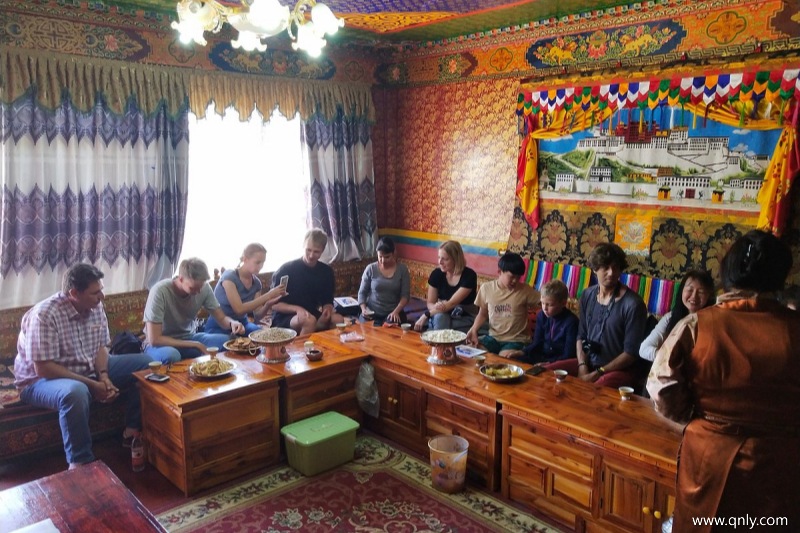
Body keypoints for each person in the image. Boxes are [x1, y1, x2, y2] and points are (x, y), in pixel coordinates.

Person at [647, 230, 800, 532]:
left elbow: (661, 387)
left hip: (709, 457)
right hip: (781, 460)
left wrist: (696, 420)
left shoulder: (696, 324)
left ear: (728, 272)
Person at [13, 264, 152, 469]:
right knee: (75, 392)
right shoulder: (44, 315)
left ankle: (132, 432)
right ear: (74, 293)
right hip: (40, 380)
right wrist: (92, 385)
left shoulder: (95, 307)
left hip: (85, 368)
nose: (102, 296)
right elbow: (44, 368)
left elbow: (101, 347)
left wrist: (103, 376)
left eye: (101, 290)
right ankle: (80, 463)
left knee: (146, 364)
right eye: (96, 292)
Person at [547, 242, 648, 388]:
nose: (611, 273)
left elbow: (630, 354)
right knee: (547, 374)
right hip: (588, 363)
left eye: (616, 267)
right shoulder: (587, 295)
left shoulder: (633, 304)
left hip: (618, 370)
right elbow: (581, 336)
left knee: (591, 389)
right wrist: (582, 366)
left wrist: (598, 373)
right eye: (605, 267)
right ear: (595, 269)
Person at [143, 258, 245, 364]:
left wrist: (232, 323)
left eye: (201, 287)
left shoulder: (203, 288)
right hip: (160, 345)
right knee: (172, 355)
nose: (198, 292)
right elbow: (155, 339)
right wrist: (195, 344)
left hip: (189, 337)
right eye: (193, 288)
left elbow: (222, 319)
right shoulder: (160, 291)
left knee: (227, 342)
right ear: (180, 279)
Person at [269, 229, 345, 335]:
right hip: (285, 316)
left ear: (322, 251)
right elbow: (274, 304)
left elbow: (327, 300)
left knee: (338, 319)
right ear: (303, 246)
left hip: (311, 314)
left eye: (316, 252)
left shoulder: (326, 271)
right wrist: (297, 309)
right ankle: (304, 351)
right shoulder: (286, 269)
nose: (311, 255)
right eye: (308, 250)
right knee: (309, 321)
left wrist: (327, 310)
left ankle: (331, 349)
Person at [466, 252, 540, 357]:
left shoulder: (525, 290)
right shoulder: (486, 288)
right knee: (472, 352)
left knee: (503, 359)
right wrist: (473, 330)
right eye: (512, 276)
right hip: (493, 338)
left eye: (518, 277)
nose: (515, 281)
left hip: (517, 340)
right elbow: (482, 313)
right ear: (499, 272)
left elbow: (545, 303)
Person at [203, 243, 286, 335]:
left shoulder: (256, 283)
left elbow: (257, 315)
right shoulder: (229, 277)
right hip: (219, 325)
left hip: (242, 324)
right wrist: (268, 295)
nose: (261, 266)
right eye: (258, 262)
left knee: (263, 336)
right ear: (245, 259)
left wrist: (268, 304)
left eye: (263, 262)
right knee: (231, 342)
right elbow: (239, 309)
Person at [638, 269, 714, 362]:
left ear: (709, 296)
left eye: (701, 292)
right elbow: (644, 349)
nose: (694, 296)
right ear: (682, 290)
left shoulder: (714, 321)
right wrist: (668, 359)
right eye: (690, 290)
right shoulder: (670, 317)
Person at [413, 240, 478, 333]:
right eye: (439, 257)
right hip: (442, 313)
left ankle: (436, 338)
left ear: (456, 259)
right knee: (440, 319)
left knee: (440, 324)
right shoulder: (436, 274)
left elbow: (451, 303)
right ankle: (441, 342)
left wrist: (426, 315)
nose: (440, 262)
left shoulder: (469, 276)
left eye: (445, 259)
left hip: (464, 317)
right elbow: (430, 303)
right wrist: (436, 306)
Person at [518, 279, 579, 364]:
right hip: (542, 357)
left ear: (563, 303)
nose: (545, 308)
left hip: (560, 361)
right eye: (542, 303)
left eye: (550, 305)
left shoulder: (571, 322)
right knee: (517, 360)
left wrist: (549, 363)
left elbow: (568, 355)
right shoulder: (541, 316)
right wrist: (522, 352)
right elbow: (537, 343)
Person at [358, 236, 411, 324]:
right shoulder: (370, 269)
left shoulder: (402, 270)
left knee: (390, 330)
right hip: (372, 312)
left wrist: (396, 312)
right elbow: (362, 293)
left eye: (387, 257)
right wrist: (364, 309)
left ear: (393, 253)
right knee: (365, 330)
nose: (383, 261)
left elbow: (405, 296)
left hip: (393, 312)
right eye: (380, 256)